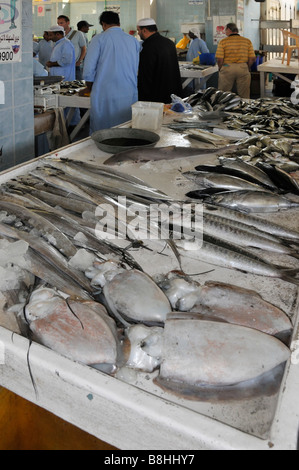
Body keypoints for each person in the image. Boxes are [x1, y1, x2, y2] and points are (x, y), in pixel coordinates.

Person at [81, 11, 141, 134]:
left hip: (105, 92)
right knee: (126, 127)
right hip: (128, 90)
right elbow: (136, 66)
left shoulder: (98, 39)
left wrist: (89, 87)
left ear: (103, 24)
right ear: (119, 23)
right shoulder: (133, 40)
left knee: (104, 131)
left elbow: (89, 68)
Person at [137, 18, 182, 104]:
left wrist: (143, 97)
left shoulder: (147, 47)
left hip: (156, 96)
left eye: (138, 30)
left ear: (145, 30)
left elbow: (146, 75)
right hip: (173, 93)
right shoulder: (169, 43)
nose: (138, 33)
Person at [215, 23, 256, 99]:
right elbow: (252, 58)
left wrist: (221, 68)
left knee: (223, 94)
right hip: (242, 67)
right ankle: (245, 109)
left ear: (229, 30)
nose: (225, 32)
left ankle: (223, 109)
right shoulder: (247, 41)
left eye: (225, 30)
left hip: (227, 67)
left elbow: (220, 59)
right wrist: (247, 67)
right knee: (244, 94)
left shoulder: (223, 42)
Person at [57, 15, 86, 80]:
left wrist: (79, 61)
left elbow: (83, 48)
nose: (59, 25)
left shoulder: (78, 34)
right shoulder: (58, 35)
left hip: (75, 65)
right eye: (58, 23)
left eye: (61, 23)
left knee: (78, 84)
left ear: (68, 23)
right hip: (63, 65)